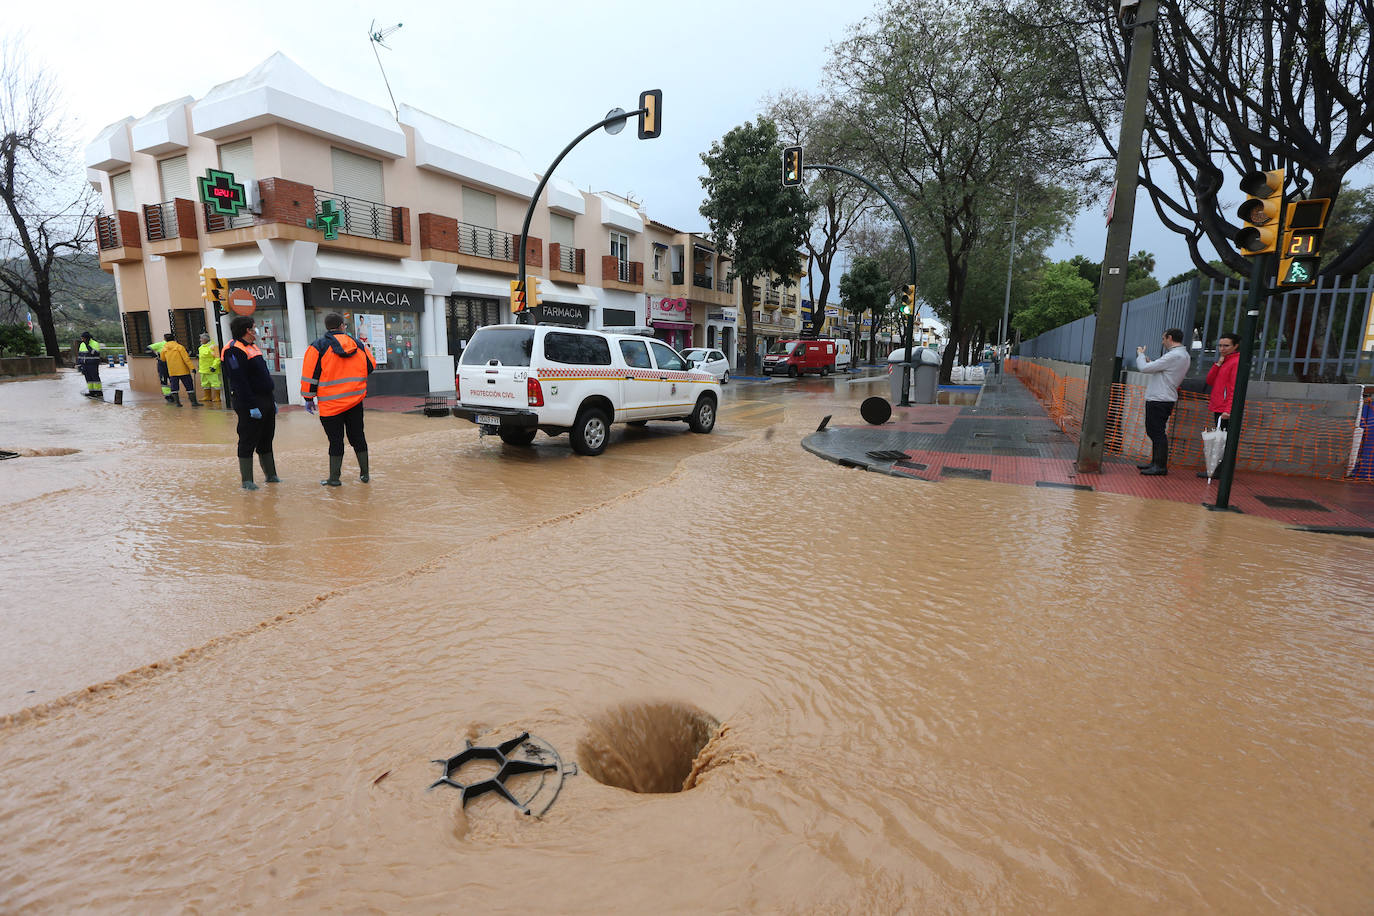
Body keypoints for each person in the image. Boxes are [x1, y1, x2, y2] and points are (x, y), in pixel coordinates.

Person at [300, 312, 377, 486]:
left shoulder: (317, 347)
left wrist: (308, 398)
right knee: (358, 437)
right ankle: (365, 475)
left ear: (327, 327)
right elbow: (371, 365)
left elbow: (309, 375)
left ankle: (334, 479)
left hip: (330, 405)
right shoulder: (358, 344)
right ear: (342, 326)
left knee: (335, 441)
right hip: (355, 401)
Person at [221, 315, 280, 490]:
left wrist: (272, 400)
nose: (256, 330)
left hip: (266, 399)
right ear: (247, 330)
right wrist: (251, 404)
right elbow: (239, 380)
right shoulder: (233, 349)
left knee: (266, 438)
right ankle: (247, 481)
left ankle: (271, 476)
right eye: (254, 327)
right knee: (248, 439)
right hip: (250, 401)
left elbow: (261, 375)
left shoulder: (252, 346)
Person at [1135, 327, 1192, 477]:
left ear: (1170, 338)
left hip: (1159, 398)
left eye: (1163, 338)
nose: (1162, 342)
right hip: (1164, 397)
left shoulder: (1174, 355)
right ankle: (1155, 462)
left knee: (1156, 431)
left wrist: (1141, 355)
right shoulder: (1182, 355)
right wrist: (1152, 363)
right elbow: (1162, 371)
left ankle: (1159, 466)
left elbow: (1143, 368)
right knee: (1155, 430)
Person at [158, 333, 199, 407]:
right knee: (189, 386)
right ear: (174, 338)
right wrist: (192, 368)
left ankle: (178, 403)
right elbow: (186, 359)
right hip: (183, 370)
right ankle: (193, 402)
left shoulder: (164, 349)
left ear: (165, 339)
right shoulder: (180, 347)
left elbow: (163, 359)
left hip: (172, 371)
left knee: (174, 387)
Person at [74, 331, 103, 399]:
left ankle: (98, 392)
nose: (82, 340)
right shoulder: (82, 344)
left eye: (83, 338)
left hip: (93, 364)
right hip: (85, 365)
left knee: (95, 378)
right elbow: (80, 355)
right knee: (88, 379)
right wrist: (79, 364)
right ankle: (91, 392)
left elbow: (95, 353)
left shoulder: (95, 344)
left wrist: (88, 346)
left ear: (87, 338)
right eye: (82, 338)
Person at [197, 332, 223, 407]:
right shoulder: (201, 347)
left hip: (211, 369)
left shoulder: (213, 346)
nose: (200, 340)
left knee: (215, 383)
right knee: (205, 384)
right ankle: (207, 396)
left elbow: (217, 358)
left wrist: (214, 366)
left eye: (201, 338)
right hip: (203, 369)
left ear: (206, 339)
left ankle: (217, 397)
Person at [147, 337, 174, 402]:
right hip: (170, 364)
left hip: (164, 365)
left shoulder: (161, 344)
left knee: (164, 380)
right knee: (172, 379)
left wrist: (155, 356)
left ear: (164, 338)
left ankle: (169, 396)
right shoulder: (175, 344)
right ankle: (171, 395)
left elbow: (147, 349)